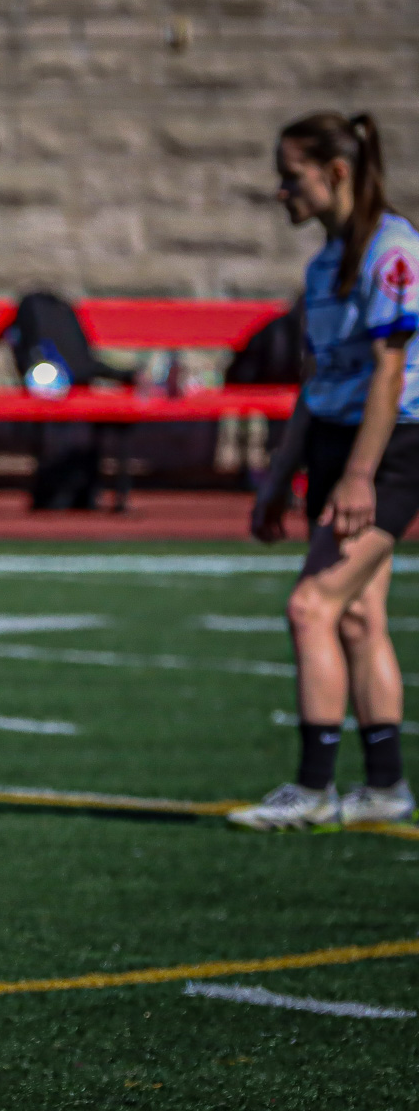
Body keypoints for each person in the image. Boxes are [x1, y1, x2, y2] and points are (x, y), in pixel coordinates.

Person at [233, 112, 418, 831]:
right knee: (362, 614)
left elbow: (389, 371)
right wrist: (281, 478)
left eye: (292, 176)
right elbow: (316, 384)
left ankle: (311, 790)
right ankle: (385, 787)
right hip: (341, 446)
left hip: (394, 445)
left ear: (336, 172)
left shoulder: (393, 253)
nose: (282, 191)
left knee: (313, 606)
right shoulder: (322, 266)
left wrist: (362, 474)